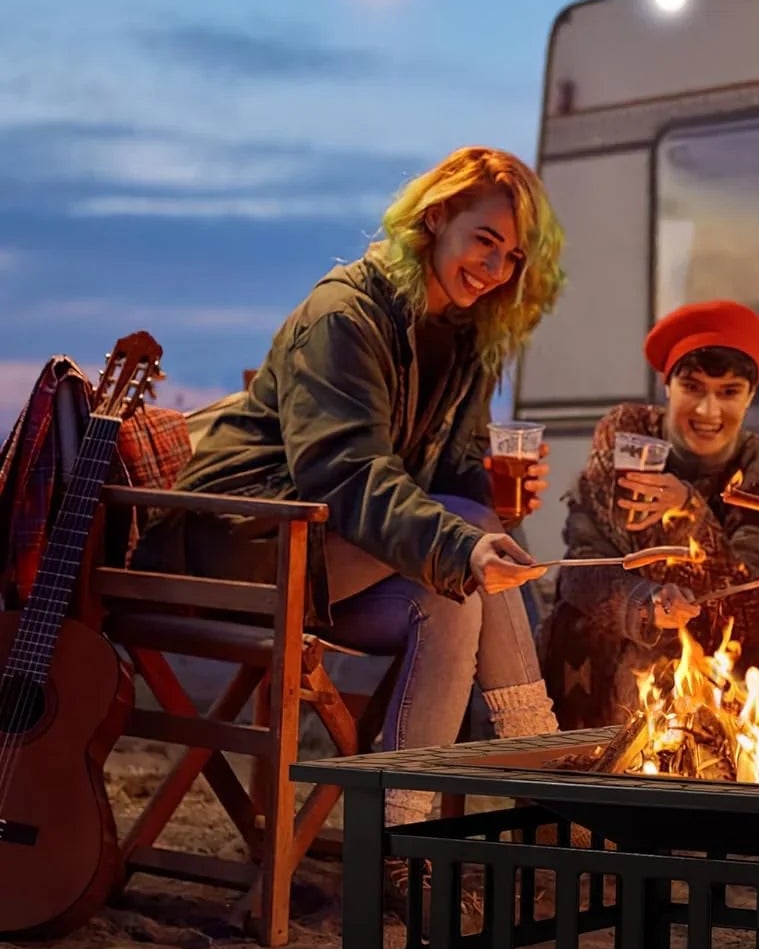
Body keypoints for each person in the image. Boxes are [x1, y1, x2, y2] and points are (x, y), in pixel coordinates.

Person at [136, 146, 564, 850]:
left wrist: (496, 497)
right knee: (458, 541)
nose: (495, 269)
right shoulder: (344, 315)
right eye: (485, 241)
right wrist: (464, 537)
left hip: (340, 552)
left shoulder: (468, 336)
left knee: (450, 597)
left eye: (513, 257)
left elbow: (454, 479)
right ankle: (542, 770)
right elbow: (345, 473)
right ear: (436, 218)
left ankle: (402, 843)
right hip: (251, 537)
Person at [540, 301, 759, 728]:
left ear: (750, 396)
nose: (708, 411)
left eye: (729, 392)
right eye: (692, 387)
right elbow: (582, 571)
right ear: (668, 386)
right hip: (595, 668)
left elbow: (749, 601)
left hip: (713, 663)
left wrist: (689, 513)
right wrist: (645, 602)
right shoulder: (628, 439)